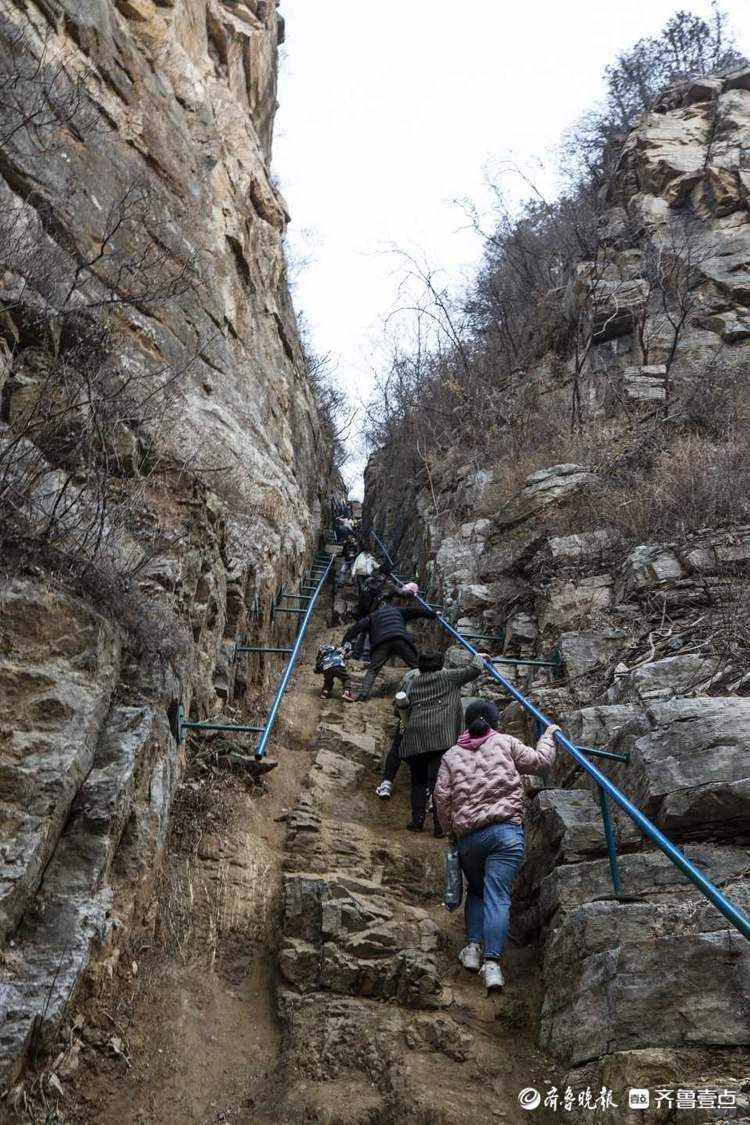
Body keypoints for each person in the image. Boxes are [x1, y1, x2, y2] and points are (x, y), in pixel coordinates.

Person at [433, 700, 559, 992]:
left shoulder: (451, 755)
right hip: (505, 833)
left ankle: (473, 950)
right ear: (494, 721)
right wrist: (548, 735)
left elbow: (441, 798)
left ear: (466, 723)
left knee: (476, 891)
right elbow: (541, 763)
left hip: (469, 838)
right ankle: (493, 966)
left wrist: (451, 830)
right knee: (498, 896)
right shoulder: (506, 742)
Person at [398, 651, 485, 834]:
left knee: (418, 781)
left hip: (415, 737)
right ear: (441, 664)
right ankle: (439, 824)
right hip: (441, 737)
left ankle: (417, 820)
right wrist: (479, 655)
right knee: (440, 783)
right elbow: (475, 669)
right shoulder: (449, 677)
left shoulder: (415, 681)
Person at [342, 598, 434, 700]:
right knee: (416, 666)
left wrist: (345, 641)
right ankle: (430, 689)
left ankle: (364, 694)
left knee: (373, 670)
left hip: (382, 643)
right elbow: (417, 611)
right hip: (400, 639)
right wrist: (433, 614)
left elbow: (357, 627)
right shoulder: (398, 610)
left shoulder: (372, 616)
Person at [375, 675, 418, 799]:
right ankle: (429, 791)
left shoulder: (413, 675)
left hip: (408, 721)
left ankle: (386, 783)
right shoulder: (447, 677)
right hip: (434, 726)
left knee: (397, 748)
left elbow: (398, 705)